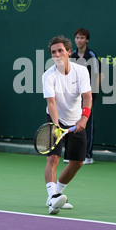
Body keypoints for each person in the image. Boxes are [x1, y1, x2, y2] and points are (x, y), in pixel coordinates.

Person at [42, 35, 92, 214]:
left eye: (60, 51)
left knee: (77, 162)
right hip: (56, 119)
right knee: (53, 158)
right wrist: (55, 126)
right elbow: (51, 103)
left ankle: (57, 196)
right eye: (53, 52)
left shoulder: (81, 71)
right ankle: (51, 198)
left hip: (76, 119)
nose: (56, 54)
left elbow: (87, 97)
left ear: (69, 52)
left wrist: (84, 118)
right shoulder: (48, 76)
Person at [70, 28, 102, 164]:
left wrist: (92, 92)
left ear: (87, 40)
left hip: (87, 96)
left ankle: (88, 155)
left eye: (82, 38)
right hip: (74, 96)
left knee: (86, 124)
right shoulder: (72, 56)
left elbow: (99, 75)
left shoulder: (91, 55)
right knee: (72, 123)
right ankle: (73, 155)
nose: (79, 40)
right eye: (77, 37)